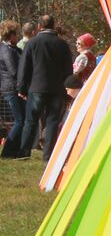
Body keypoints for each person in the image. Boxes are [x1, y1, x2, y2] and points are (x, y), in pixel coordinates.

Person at [16, 15, 74, 160]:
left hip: (36, 87)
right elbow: (68, 70)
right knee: (52, 121)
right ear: (53, 26)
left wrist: (22, 88)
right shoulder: (62, 44)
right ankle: (48, 155)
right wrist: (62, 83)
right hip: (56, 89)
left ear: (39, 27)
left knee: (31, 121)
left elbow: (24, 68)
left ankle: (24, 152)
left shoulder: (32, 43)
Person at [0, 21, 25, 158]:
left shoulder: (12, 49)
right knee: (19, 120)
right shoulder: (6, 50)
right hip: (11, 88)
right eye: (16, 34)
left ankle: (15, 150)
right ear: (11, 35)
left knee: (21, 119)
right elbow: (14, 71)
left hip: (13, 87)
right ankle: (7, 150)